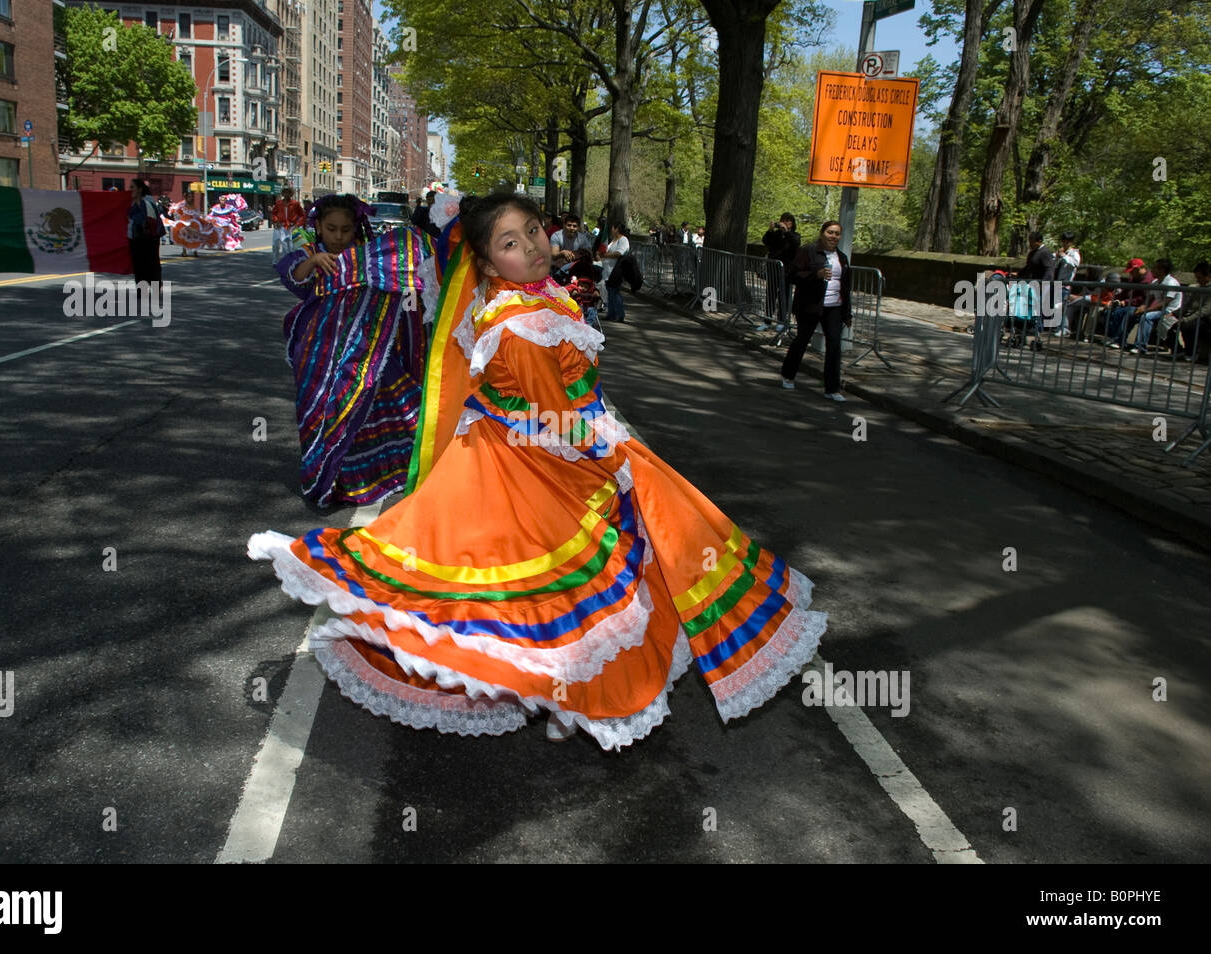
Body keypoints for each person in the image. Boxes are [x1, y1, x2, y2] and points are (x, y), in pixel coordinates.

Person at [248, 192, 826, 749]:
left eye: (532, 230)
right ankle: (573, 697)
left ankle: (563, 697)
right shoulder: (523, 322)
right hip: (532, 466)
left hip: (516, 450)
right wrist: (614, 455)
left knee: (545, 593)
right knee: (575, 586)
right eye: (509, 242)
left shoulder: (534, 298)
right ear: (486, 260)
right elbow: (553, 418)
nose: (531, 246)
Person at [273, 194, 428, 508]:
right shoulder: (310, 255)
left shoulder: (367, 257)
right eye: (331, 229)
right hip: (318, 351)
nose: (339, 236)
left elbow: (408, 262)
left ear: (356, 228)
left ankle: (373, 476)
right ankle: (331, 475)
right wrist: (312, 262)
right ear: (318, 226)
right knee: (322, 411)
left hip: (364, 348)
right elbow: (293, 277)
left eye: (345, 229)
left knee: (368, 404)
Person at [780, 220, 851, 402]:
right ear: (822, 233)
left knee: (834, 346)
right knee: (802, 341)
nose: (833, 236)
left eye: (837, 233)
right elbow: (792, 275)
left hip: (834, 307)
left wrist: (847, 312)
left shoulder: (842, 258)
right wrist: (815, 275)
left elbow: (846, 287)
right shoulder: (808, 251)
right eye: (830, 232)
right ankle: (788, 375)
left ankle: (832, 388)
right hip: (811, 305)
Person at [1130, 258, 1182, 355]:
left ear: (1162, 270)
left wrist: (1147, 310)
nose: (1152, 270)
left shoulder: (1171, 283)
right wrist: (1142, 307)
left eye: (1154, 268)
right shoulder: (1155, 283)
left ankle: (1140, 347)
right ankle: (1120, 341)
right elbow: (1149, 298)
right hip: (1158, 310)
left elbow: (1165, 303)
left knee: (1147, 317)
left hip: (1170, 311)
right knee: (1131, 313)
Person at [1105, 258, 1156, 349]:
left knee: (1128, 313)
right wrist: (1114, 300)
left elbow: (1144, 298)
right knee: (1112, 311)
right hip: (1128, 304)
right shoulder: (1133, 278)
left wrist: (1126, 302)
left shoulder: (1149, 280)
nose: (1130, 273)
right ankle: (1111, 337)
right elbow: (1125, 292)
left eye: (1132, 271)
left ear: (1138, 269)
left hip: (1141, 306)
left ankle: (1119, 341)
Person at [126, 178, 163, 292]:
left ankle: (156, 286)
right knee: (138, 264)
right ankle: (141, 289)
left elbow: (151, 221)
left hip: (149, 239)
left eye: (132, 187)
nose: (130, 189)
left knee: (151, 262)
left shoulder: (147, 203)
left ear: (140, 189)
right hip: (135, 238)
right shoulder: (130, 205)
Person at [1174, 261, 1211, 362]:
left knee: (1188, 326)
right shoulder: (1197, 288)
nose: (1198, 281)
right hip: (1193, 316)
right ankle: (1178, 350)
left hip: (1205, 319)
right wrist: (1174, 314)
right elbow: (1187, 305)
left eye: (1200, 278)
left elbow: (1205, 311)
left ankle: (1191, 353)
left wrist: (1185, 319)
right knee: (1167, 322)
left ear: (1208, 276)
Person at [601, 220, 630, 323]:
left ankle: (619, 314)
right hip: (608, 270)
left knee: (615, 292)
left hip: (616, 270)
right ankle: (611, 314)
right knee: (610, 293)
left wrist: (605, 255)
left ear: (616, 229)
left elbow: (619, 253)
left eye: (613, 228)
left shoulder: (623, 240)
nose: (611, 230)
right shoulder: (613, 240)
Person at [271, 187, 306, 261]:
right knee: (275, 244)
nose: (286, 194)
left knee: (289, 245)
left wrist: (297, 224)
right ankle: (275, 261)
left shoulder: (295, 204)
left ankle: (288, 261)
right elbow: (274, 213)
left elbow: (302, 215)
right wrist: (276, 221)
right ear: (282, 193)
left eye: (288, 192)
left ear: (291, 194)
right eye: (284, 192)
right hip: (280, 226)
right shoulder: (279, 203)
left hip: (291, 226)